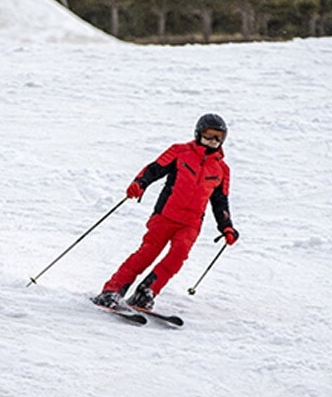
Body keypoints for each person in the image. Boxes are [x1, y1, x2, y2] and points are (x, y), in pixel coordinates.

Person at [93, 113, 240, 310]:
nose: (212, 141)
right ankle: (112, 290)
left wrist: (227, 227)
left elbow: (220, 202)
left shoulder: (222, 169)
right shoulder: (179, 152)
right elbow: (154, 169)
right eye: (208, 135)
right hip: (165, 216)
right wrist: (140, 183)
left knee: (177, 257)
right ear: (198, 133)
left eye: (218, 137)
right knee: (147, 253)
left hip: (191, 223)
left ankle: (146, 292)